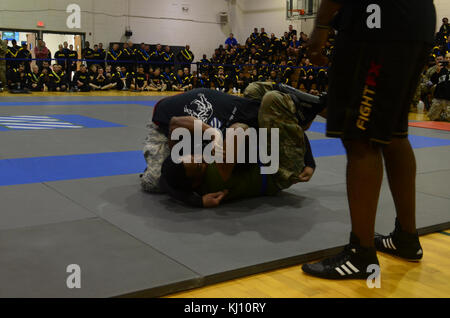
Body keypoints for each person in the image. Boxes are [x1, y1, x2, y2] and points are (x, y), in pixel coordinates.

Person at [302, 0, 436, 280]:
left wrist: (322, 26)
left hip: (375, 24)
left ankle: (360, 254)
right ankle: (406, 239)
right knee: (395, 133)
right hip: (418, 20)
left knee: (360, 138)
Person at [158, 82, 326, 207]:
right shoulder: (215, 177)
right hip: (282, 171)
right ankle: (305, 114)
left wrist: (213, 133)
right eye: (197, 165)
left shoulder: (187, 167)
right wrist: (309, 161)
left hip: (267, 155)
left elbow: (174, 123)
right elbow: (239, 130)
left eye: (192, 156)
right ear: (195, 183)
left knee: (254, 90)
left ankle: (294, 102)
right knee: (271, 101)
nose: (200, 158)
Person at [428, 53, 450, 121]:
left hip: (449, 99)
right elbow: (432, 81)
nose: (448, 59)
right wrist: (437, 72)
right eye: (446, 58)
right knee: (431, 117)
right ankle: (442, 115)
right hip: (439, 98)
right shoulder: (440, 68)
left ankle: (444, 115)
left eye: (449, 58)